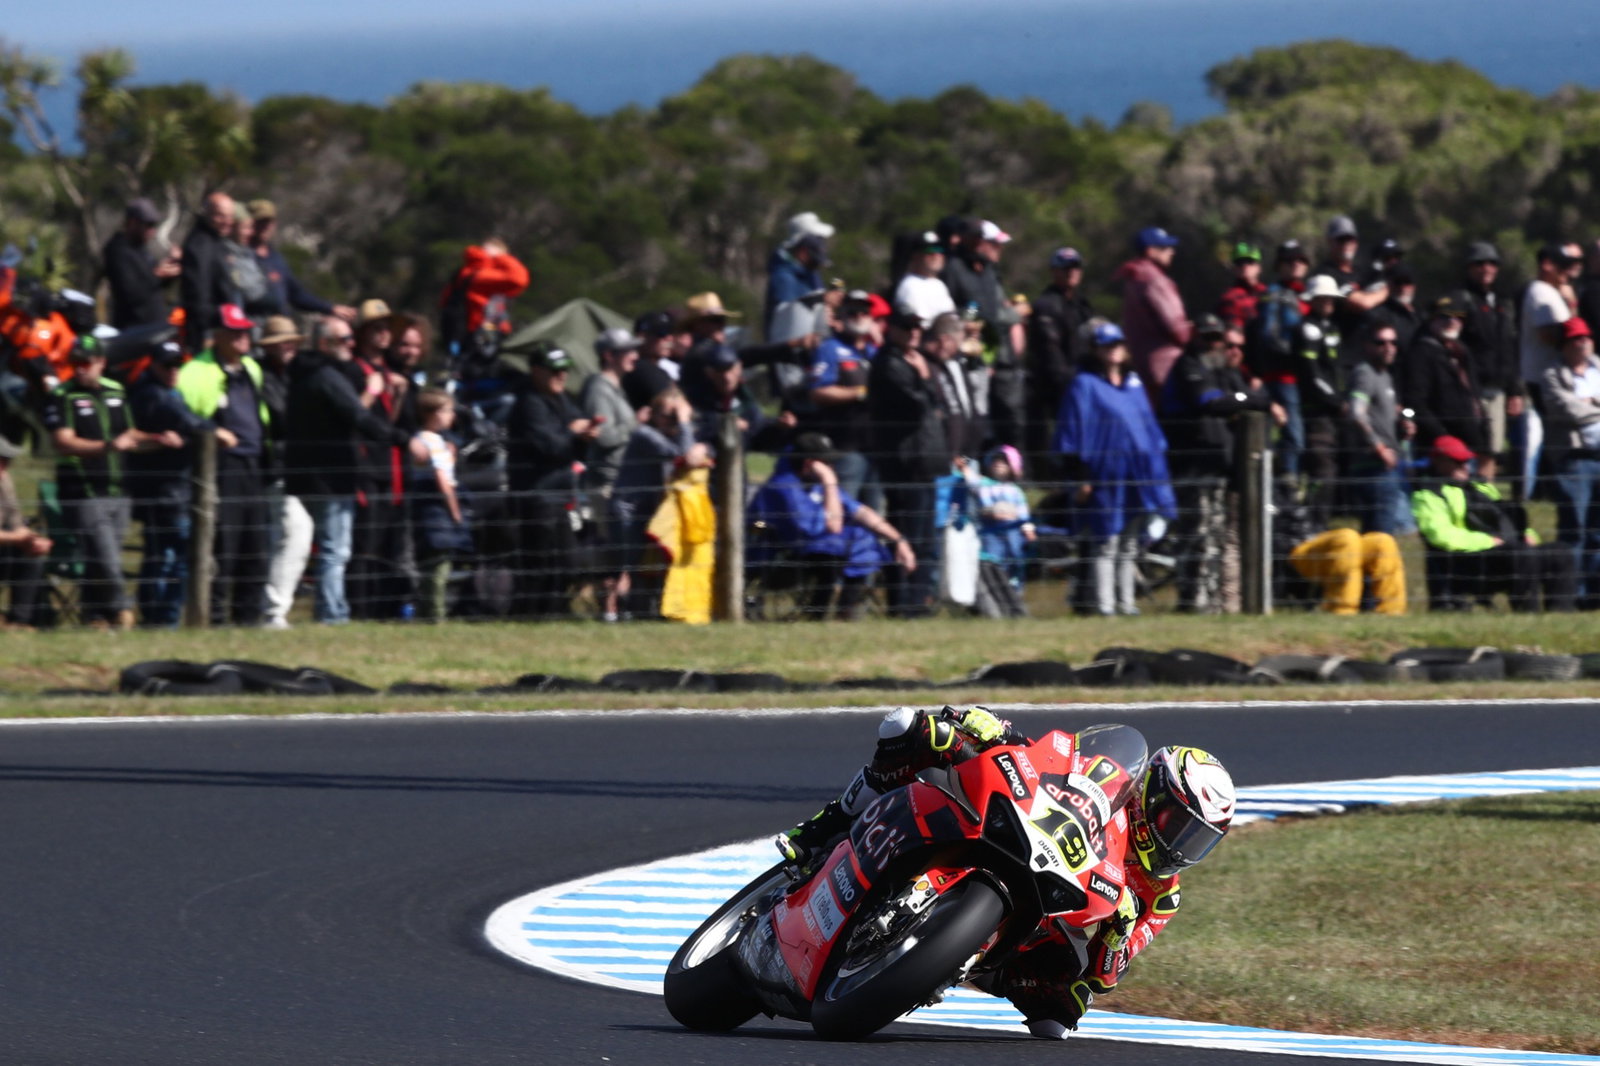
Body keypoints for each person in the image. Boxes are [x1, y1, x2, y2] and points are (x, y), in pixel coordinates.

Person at [775, 707, 1236, 1040]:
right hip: (1025, 829)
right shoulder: (1113, 771)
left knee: (1061, 1015)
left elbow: (1105, 977)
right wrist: (999, 732)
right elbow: (1057, 758)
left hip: (1049, 919)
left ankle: (950, 958)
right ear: (1152, 794)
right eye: (1176, 825)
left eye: (1197, 839)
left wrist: (1118, 934)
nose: (1179, 846)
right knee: (913, 730)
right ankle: (826, 825)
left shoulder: (1162, 897)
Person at [280, 315, 428, 624]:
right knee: (335, 550)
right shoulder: (327, 376)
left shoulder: (305, 373)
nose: (351, 344)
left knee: (309, 548)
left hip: (309, 474)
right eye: (343, 339)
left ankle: (320, 611)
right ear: (324, 343)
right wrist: (404, 441)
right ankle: (333, 614)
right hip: (331, 476)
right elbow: (359, 417)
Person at [43, 337, 183, 628]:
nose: (80, 369)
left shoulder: (116, 391)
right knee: (107, 560)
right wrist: (108, 446)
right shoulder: (63, 395)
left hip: (119, 490)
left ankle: (96, 618)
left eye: (86, 362)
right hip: (83, 492)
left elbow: (129, 435)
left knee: (100, 560)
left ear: (101, 363)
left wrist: (157, 439)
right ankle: (124, 613)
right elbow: (63, 442)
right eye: (75, 363)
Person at [1056, 322, 1178, 616]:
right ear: (1095, 349)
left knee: (1130, 543)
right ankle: (1105, 604)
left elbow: (1149, 431)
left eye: (1117, 345)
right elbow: (1074, 431)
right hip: (1105, 477)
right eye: (1106, 345)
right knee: (1106, 540)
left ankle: (1126, 603)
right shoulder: (1085, 385)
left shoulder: (1133, 385)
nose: (1113, 351)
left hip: (1138, 476)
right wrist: (1082, 477)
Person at [1158, 322, 1276, 612]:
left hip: (1221, 469)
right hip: (1193, 467)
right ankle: (1193, 602)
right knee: (1197, 536)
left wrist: (1245, 400)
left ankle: (1219, 603)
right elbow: (1210, 403)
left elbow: (1249, 402)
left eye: (1218, 340)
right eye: (1208, 339)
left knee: (1220, 540)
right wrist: (1250, 401)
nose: (1215, 345)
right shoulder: (1189, 366)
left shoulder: (1223, 372)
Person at [747, 432, 915, 620]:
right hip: (774, 549)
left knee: (866, 539)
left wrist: (899, 540)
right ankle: (818, 616)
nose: (832, 467)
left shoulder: (815, 484)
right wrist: (830, 482)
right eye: (826, 463)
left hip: (813, 547)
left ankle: (876, 612)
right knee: (840, 545)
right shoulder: (784, 487)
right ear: (809, 464)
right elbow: (832, 526)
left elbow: (860, 512)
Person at [128, 339, 236, 626]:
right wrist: (214, 431)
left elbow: (184, 428)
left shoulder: (169, 392)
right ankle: (160, 618)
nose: (174, 370)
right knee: (165, 557)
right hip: (163, 490)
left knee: (175, 556)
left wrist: (189, 438)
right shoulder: (152, 393)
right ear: (153, 364)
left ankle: (168, 617)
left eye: (178, 365)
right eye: (168, 365)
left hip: (178, 488)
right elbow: (188, 421)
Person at [176, 304, 272, 625]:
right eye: (234, 332)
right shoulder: (195, 372)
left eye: (245, 330)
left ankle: (249, 617)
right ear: (217, 335)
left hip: (252, 464)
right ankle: (214, 616)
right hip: (220, 466)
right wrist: (211, 431)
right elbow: (182, 416)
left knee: (255, 546)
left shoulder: (251, 369)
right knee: (223, 545)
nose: (242, 338)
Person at [1412, 435, 1573, 612]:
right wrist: (1488, 541)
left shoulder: (1480, 486)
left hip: (1505, 550)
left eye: (1467, 461)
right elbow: (1441, 536)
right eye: (1458, 462)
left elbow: (1505, 518)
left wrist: (1526, 535)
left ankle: (1559, 612)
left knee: (1560, 552)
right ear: (1440, 462)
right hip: (1467, 560)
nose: (1465, 467)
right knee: (1522, 555)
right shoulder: (1428, 495)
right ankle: (1528, 614)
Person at [507, 343, 599, 618]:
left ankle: (554, 613)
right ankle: (530, 616)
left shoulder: (561, 400)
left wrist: (585, 433)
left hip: (562, 494)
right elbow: (549, 446)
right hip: (537, 496)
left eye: (565, 371)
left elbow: (572, 439)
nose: (562, 376)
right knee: (539, 564)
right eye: (555, 371)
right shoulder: (529, 403)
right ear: (536, 371)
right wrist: (573, 433)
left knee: (568, 563)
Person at [867, 311, 945, 617]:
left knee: (925, 538)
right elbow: (919, 406)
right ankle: (904, 605)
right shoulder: (890, 364)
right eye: (907, 327)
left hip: (923, 462)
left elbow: (934, 407)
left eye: (918, 328)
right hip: (904, 463)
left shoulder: (914, 361)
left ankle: (918, 603)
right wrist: (925, 378)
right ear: (892, 330)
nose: (914, 333)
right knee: (907, 537)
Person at [613, 386, 711, 618]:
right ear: (653, 415)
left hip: (652, 510)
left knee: (650, 566)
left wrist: (704, 446)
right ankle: (616, 615)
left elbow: (703, 445)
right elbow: (682, 454)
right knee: (629, 566)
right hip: (629, 510)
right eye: (668, 415)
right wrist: (685, 422)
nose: (673, 420)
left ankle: (643, 614)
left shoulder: (672, 434)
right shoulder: (644, 435)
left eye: (676, 415)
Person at [942, 219, 1024, 447]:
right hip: (962, 353)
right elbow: (958, 306)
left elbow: (984, 307)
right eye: (993, 244)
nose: (998, 250)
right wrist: (971, 317)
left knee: (988, 416)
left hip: (988, 355)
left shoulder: (988, 271)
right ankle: (967, 463)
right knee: (968, 414)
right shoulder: (954, 267)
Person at [581, 327, 643, 621]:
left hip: (620, 481)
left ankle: (618, 609)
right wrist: (635, 425)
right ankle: (609, 612)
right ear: (609, 356)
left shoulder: (615, 388)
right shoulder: (599, 389)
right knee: (610, 549)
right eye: (628, 350)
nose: (635, 355)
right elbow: (603, 437)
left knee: (620, 548)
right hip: (606, 482)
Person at [255, 315, 312, 629]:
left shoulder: (298, 373)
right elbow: (283, 416)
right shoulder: (262, 375)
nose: (288, 346)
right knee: (296, 531)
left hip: (299, 467)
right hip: (273, 467)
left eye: (291, 340)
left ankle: (273, 609)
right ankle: (273, 611)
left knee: (291, 534)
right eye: (280, 342)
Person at [1539, 316, 1600, 608]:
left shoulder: (1598, 367)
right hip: (1574, 459)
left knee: (1598, 529)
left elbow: (1579, 407)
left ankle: (1594, 592)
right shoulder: (1553, 374)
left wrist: (1590, 404)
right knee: (1574, 525)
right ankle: (1570, 593)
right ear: (1565, 345)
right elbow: (1564, 407)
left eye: (1586, 337)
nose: (1583, 342)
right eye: (1576, 338)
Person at [802, 290, 880, 507]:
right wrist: (859, 393)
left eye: (864, 311)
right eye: (853, 311)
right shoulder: (830, 348)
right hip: (845, 448)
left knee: (873, 514)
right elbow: (817, 391)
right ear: (843, 315)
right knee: (843, 510)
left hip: (875, 448)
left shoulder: (875, 353)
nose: (859, 316)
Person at [1518, 242, 1582, 498]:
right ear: (1548, 266)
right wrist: (1573, 330)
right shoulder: (1541, 293)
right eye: (1563, 268)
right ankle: (1544, 490)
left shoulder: (1550, 292)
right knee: (1553, 437)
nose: (1568, 273)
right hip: (1543, 377)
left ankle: (1547, 488)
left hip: (1551, 376)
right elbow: (1547, 334)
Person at [1343, 324, 1415, 535]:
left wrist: (1403, 427)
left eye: (1393, 342)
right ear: (1367, 346)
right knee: (1381, 540)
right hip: (1373, 468)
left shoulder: (1385, 375)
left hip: (1384, 468)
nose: (1388, 347)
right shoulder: (1365, 373)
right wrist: (1380, 448)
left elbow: (1380, 417)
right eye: (1380, 342)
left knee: (1376, 539)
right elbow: (1356, 413)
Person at [1247, 239, 1311, 475]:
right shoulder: (1274, 296)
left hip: (1306, 380)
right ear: (1279, 265)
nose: (1295, 264)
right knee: (1293, 439)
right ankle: (1286, 487)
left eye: (1299, 259)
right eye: (1288, 260)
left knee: (1303, 439)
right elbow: (1266, 339)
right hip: (1284, 378)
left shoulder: (1307, 294)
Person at [1027, 247, 1094, 468]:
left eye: (1075, 268)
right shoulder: (1046, 305)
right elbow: (1050, 353)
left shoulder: (1082, 305)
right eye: (1065, 268)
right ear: (1054, 271)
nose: (1071, 273)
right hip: (1058, 388)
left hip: (1084, 383)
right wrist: (1069, 384)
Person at [1456, 241, 1523, 459]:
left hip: (1498, 390)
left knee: (1492, 450)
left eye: (1492, 264)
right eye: (1480, 264)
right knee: (1468, 449)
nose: (1486, 269)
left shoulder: (1502, 304)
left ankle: (1486, 493)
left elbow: (1510, 348)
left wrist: (1514, 390)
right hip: (1470, 391)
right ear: (1469, 267)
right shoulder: (1461, 300)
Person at [409, 387, 469, 622]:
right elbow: (442, 479)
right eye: (447, 410)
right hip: (438, 507)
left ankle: (426, 611)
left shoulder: (425, 440)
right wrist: (454, 510)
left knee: (428, 563)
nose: (451, 415)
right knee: (439, 565)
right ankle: (436, 613)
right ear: (432, 414)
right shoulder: (432, 442)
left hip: (424, 505)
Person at [1401, 294, 1488, 458]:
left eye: (1458, 317)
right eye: (1444, 317)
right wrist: (1441, 435)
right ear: (1431, 320)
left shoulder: (1462, 352)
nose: (1452, 321)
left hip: (1472, 439)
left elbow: (1474, 395)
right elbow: (1415, 403)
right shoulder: (1421, 352)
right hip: (1441, 448)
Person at [1115, 226, 1191, 404]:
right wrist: (1193, 332)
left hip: (1142, 364)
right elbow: (1178, 330)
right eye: (1165, 248)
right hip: (1167, 368)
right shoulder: (1155, 281)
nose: (1171, 252)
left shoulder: (1134, 279)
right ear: (1150, 251)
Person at [1293, 274, 1347, 520]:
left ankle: (1324, 521)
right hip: (1317, 411)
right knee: (1322, 468)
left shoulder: (1331, 327)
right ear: (1312, 300)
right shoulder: (1308, 329)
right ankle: (1314, 522)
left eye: (1331, 299)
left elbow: (1334, 369)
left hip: (1332, 411)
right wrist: (1336, 401)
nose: (1328, 303)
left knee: (1333, 468)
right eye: (1323, 298)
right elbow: (1312, 375)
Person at [245, 200, 353, 321]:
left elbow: (296, 294)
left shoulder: (276, 259)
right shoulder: (241, 257)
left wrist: (330, 308)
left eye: (269, 222)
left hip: (277, 326)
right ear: (248, 223)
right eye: (260, 222)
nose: (265, 226)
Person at [438, 238, 530, 365]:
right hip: (481, 336)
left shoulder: (465, 272)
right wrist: (500, 257)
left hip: (464, 335)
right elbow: (519, 279)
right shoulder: (481, 275)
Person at [102, 197, 179, 330]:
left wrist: (171, 268)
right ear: (132, 222)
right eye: (148, 225)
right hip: (133, 332)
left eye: (154, 225)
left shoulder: (140, 250)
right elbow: (129, 293)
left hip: (153, 329)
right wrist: (157, 275)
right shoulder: (117, 250)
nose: (152, 230)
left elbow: (154, 285)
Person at [0, 432, 51, 629]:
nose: (6, 466)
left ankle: (19, 622)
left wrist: (31, 539)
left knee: (31, 558)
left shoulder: (5, 481)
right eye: (3, 460)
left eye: (7, 461)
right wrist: (16, 537)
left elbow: (16, 520)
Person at [179, 191, 238, 351]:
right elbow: (199, 296)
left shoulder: (216, 242)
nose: (227, 222)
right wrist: (209, 331)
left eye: (230, 217)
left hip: (222, 328)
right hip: (208, 334)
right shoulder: (201, 245)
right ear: (207, 214)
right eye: (221, 216)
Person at [892, 231, 956, 327]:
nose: (937, 255)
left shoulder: (939, 284)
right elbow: (921, 324)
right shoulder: (910, 285)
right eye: (930, 250)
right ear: (915, 256)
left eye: (940, 249)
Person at [1215, 242, 1265, 329]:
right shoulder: (1229, 298)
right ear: (1234, 268)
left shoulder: (1270, 293)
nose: (1245, 266)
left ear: (1259, 267)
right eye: (1240, 262)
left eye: (1250, 261)